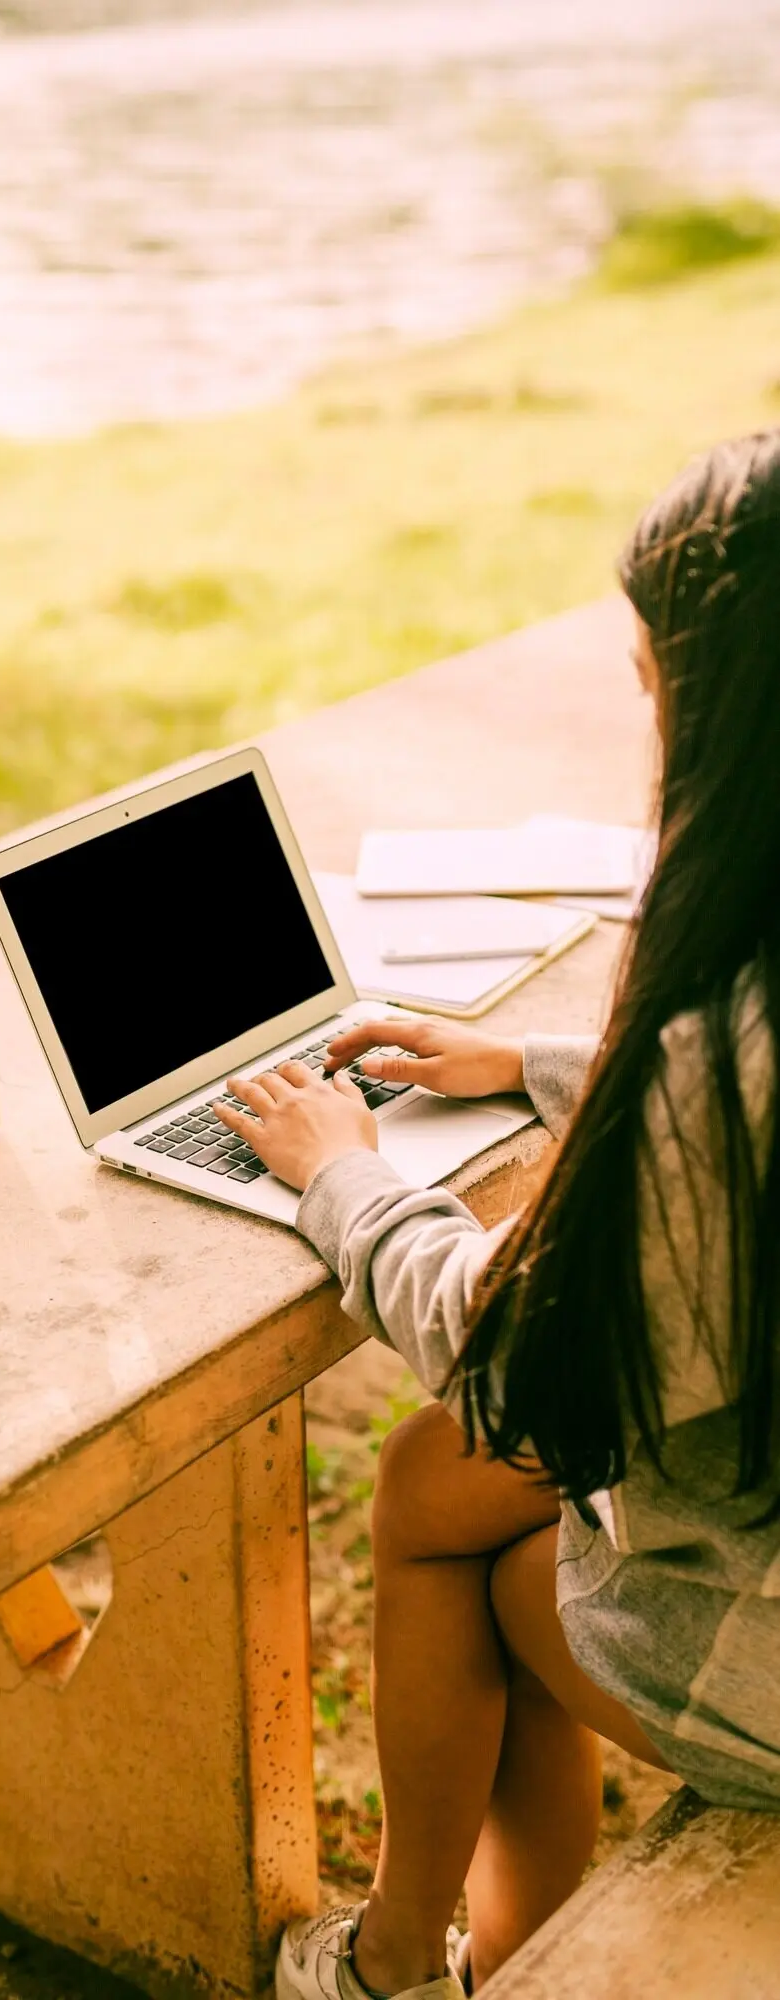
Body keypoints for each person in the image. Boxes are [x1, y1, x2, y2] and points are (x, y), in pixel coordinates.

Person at [215, 429, 780, 2000]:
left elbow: (517, 1358)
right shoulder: (722, 1048)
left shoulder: (705, 1069)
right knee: (431, 1479)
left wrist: (343, 1174)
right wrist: (538, 1064)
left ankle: (404, 1962)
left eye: (657, 676)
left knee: (472, 1537)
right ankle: (495, 1949)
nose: (645, 707)